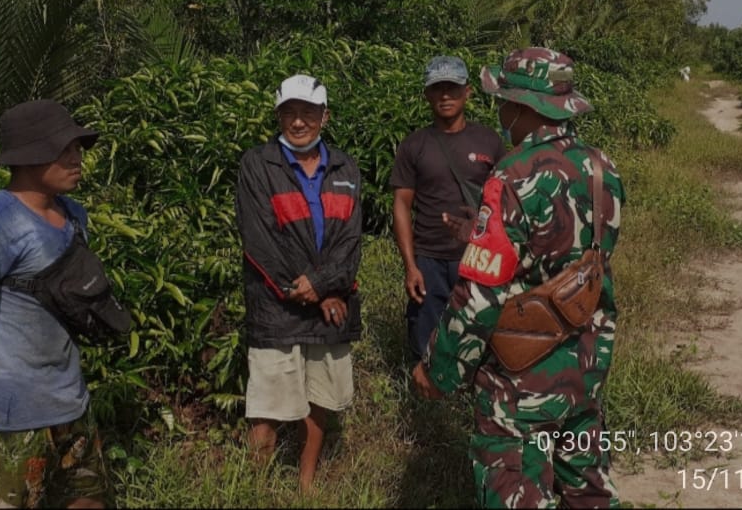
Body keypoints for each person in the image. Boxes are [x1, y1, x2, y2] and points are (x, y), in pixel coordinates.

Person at [412, 48, 626, 509]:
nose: (500, 111)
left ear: (523, 107)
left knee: (517, 492)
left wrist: (438, 370)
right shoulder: (602, 167)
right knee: (588, 490)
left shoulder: (512, 176)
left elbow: (478, 297)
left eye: (503, 101)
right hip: (586, 362)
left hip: (521, 378)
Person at [0, 100, 112, 509]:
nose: (76, 157)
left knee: (88, 500)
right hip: (8, 417)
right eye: (63, 148)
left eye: (77, 147)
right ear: (29, 155)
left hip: (71, 402)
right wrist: (3, 358)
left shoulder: (72, 215)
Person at [235, 73, 363, 492]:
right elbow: (260, 241)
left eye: (307, 112)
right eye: (289, 112)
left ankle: (306, 483)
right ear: (278, 116)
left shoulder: (345, 167)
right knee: (267, 405)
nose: (298, 121)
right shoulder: (257, 164)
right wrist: (307, 290)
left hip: (331, 303)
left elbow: (350, 241)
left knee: (320, 399)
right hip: (277, 307)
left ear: (324, 116)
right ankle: (256, 488)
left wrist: (326, 286)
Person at [390, 55, 505, 362]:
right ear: (427, 94)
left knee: (481, 340)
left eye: (452, 88)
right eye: (437, 88)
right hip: (429, 260)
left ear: (467, 92)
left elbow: (503, 202)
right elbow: (401, 205)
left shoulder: (489, 140)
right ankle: (427, 403)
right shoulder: (414, 145)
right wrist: (410, 266)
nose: (444, 96)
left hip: (477, 257)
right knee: (425, 344)